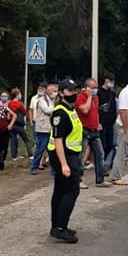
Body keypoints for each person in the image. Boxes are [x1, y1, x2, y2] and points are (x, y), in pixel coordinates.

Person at [48, 79, 84, 243]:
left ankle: (57, 226)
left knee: (61, 191)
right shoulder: (60, 113)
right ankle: (60, 228)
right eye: (69, 91)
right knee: (72, 191)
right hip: (64, 156)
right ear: (61, 93)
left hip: (72, 154)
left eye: (74, 90)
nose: (73, 94)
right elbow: (58, 140)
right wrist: (64, 164)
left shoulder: (71, 109)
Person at [76, 78, 106, 187]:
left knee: (100, 154)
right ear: (86, 88)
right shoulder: (80, 97)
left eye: (96, 88)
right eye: (93, 88)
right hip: (84, 129)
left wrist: (98, 123)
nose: (95, 90)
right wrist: (89, 97)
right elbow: (85, 110)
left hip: (94, 130)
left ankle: (100, 180)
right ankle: (79, 180)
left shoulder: (96, 97)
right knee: (82, 155)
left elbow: (95, 111)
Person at [30, 83, 55, 174]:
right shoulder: (41, 100)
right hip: (43, 128)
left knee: (52, 150)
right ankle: (34, 167)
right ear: (48, 91)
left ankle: (54, 170)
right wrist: (57, 108)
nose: (55, 93)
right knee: (40, 148)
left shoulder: (52, 100)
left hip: (50, 128)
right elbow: (47, 110)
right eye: (53, 91)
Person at [98, 74, 117, 168]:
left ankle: (104, 161)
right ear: (106, 80)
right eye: (111, 80)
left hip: (110, 123)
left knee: (110, 145)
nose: (112, 82)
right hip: (101, 122)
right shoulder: (98, 93)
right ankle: (101, 164)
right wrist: (98, 122)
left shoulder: (112, 94)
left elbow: (114, 108)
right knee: (103, 144)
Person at [8, 88, 33, 161]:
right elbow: (24, 112)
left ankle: (14, 156)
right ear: (17, 95)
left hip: (12, 124)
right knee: (26, 140)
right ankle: (30, 155)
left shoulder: (9, 103)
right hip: (20, 124)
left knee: (13, 140)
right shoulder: (20, 104)